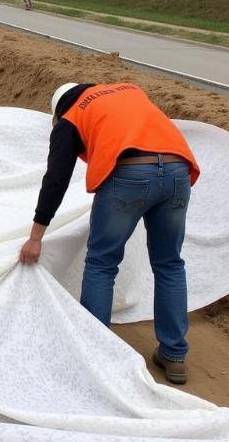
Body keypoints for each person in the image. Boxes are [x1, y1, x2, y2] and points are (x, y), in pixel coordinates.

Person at [19, 82, 199, 385]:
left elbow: (56, 180)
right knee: (170, 264)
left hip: (128, 174)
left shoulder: (71, 118)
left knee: (102, 264)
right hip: (177, 169)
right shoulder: (129, 90)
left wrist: (36, 236)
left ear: (60, 107)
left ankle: (95, 352)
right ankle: (174, 354)